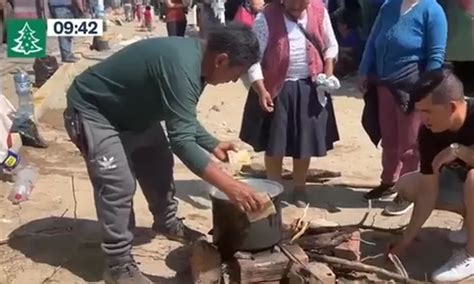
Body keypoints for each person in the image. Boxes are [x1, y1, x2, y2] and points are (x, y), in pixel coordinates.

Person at [63, 23, 265, 284]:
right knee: (119, 185)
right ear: (222, 60)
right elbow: (181, 141)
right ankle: (118, 265)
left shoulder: (201, 63)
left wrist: (210, 142)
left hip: (135, 114)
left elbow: (180, 114)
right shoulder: (183, 67)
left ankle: (167, 222)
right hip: (95, 111)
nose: (235, 80)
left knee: (158, 163)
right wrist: (231, 187)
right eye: (236, 73)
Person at [239, 0, 340, 208]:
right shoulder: (265, 17)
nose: (295, 9)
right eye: (291, 4)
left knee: (304, 144)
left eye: (301, 4)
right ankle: (274, 188)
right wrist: (261, 90)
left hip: (310, 86)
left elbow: (331, 45)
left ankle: (300, 188)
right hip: (276, 88)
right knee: (274, 144)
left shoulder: (319, 12)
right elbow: (254, 58)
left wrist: (327, 71)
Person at [358, 0, 447, 211]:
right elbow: (372, 41)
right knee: (388, 138)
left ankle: (408, 192)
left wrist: (426, 90)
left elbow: (436, 56)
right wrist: (363, 70)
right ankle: (388, 181)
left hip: (413, 87)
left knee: (410, 145)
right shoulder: (388, 6)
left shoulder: (432, 10)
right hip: (384, 85)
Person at [387, 69, 474, 282]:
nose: (422, 119)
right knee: (408, 185)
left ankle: (471, 254)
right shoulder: (429, 132)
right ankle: (470, 225)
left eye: (428, 112)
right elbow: (428, 192)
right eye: (419, 112)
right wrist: (404, 243)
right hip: (464, 188)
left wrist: (458, 150)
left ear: (452, 107)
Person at [334, 11, 362, 78]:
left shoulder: (352, 36)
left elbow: (353, 49)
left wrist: (340, 49)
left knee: (342, 56)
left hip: (354, 61)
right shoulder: (341, 38)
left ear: (345, 26)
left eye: (339, 25)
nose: (338, 28)